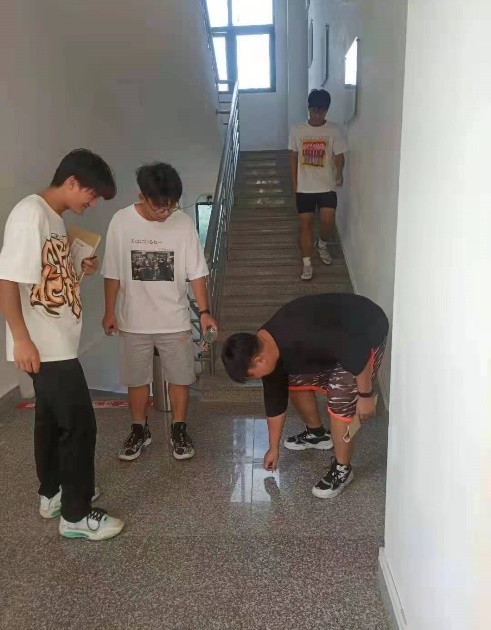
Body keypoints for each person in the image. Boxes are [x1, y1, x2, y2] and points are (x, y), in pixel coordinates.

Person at [0, 149, 124, 540]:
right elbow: (7, 280)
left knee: (51, 422)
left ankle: (53, 493)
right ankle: (76, 514)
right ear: (72, 181)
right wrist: (21, 338)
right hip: (45, 345)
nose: (93, 202)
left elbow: (48, 282)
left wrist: (78, 268)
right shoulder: (30, 214)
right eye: (92, 194)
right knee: (80, 426)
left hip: (57, 341)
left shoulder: (54, 219)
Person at [101, 162, 217, 462]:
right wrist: (109, 311)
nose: (166, 212)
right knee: (136, 379)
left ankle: (179, 428)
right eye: (159, 207)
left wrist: (204, 311)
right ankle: (139, 429)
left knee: (180, 377)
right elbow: (112, 272)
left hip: (174, 319)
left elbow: (197, 273)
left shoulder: (183, 224)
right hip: (132, 320)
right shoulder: (121, 221)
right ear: (142, 196)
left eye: (171, 205)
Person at [221, 293, 388, 499]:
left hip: (365, 328)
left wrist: (365, 395)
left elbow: (358, 351)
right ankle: (317, 434)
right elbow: (275, 401)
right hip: (335, 341)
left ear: (259, 360)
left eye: (252, 375)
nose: (256, 379)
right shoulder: (266, 347)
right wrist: (273, 449)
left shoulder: (302, 333)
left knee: (340, 397)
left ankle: (343, 469)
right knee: (293, 379)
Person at [288, 89, 348, 281]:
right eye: (314, 110)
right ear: (309, 108)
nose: (317, 115)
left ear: (326, 110)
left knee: (328, 221)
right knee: (305, 224)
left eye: (322, 111)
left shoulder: (334, 130)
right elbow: (293, 156)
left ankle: (322, 244)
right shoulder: (297, 130)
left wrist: (339, 173)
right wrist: (294, 183)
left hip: (327, 186)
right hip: (304, 188)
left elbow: (339, 155)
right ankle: (307, 264)